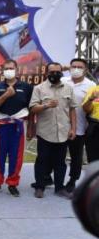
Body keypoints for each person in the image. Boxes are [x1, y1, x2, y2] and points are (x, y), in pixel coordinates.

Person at [30, 63, 76, 199]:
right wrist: (46, 105)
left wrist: (73, 128)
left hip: (63, 132)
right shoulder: (39, 88)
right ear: (47, 73)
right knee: (42, 161)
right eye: (52, 72)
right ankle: (40, 187)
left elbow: (72, 110)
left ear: (61, 73)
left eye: (57, 71)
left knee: (60, 162)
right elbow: (32, 108)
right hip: (45, 132)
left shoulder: (68, 88)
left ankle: (59, 188)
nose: (55, 74)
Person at [0, 59, 33, 196]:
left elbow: (31, 109)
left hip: (18, 127)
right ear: (2, 71)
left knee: (16, 156)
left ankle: (12, 183)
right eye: (6, 69)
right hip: (1, 126)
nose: (9, 71)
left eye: (11, 68)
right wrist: (5, 95)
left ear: (17, 70)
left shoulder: (26, 87)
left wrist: (31, 127)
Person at [62, 58, 95, 192]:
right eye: (73, 66)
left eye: (79, 67)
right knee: (57, 155)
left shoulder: (91, 86)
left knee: (76, 157)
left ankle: (72, 180)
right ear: (69, 68)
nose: (76, 69)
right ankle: (50, 178)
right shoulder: (62, 81)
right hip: (61, 126)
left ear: (85, 70)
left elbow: (93, 107)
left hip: (80, 127)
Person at [82, 79, 99, 164]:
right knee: (94, 161)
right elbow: (86, 109)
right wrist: (91, 98)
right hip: (95, 128)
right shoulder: (94, 89)